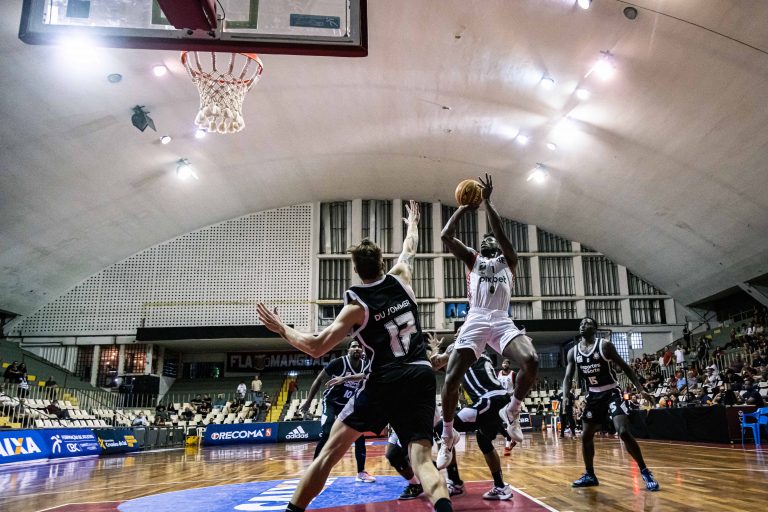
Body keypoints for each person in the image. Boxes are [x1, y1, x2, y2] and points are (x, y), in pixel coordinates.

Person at [256, 201, 453, 512]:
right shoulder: (402, 276)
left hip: (385, 380)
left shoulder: (356, 307)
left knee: (327, 455)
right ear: (382, 262)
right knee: (421, 459)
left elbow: (316, 346)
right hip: (420, 373)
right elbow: (410, 247)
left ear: (356, 271)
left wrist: (282, 328)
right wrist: (413, 224)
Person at [438, 173, 538, 468]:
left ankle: (513, 411)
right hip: (477, 317)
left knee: (531, 360)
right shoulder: (474, 260)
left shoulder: (509, 260)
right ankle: (447, 436)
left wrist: (488, 203)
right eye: (485, 240)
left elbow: (498, 230)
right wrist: (463, 208)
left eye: (492, 238)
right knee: (451, 379)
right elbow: (445, 236)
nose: (488, 240)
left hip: (502, 319)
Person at [563, 317, 660, 491]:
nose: (583, 325)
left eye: (587, 323)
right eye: (581, 323)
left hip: (612, 392)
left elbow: (625, 367)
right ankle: (590, 475)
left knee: (623, 432)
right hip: (593, 395)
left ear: (595, 328)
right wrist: (565, 396)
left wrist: (640, 389)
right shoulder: (573, 352)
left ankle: (645, 471)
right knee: (586, 435)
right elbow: (567, 377)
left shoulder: (605, 346)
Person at [432, 345, 515, 500]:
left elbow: (434, 365)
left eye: (458, 333)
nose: (456, 334)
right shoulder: (479, 349)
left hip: (488, 400)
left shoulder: (461, 346)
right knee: (483, 440)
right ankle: (500, 486)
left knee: (441, 428)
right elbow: (446, 368)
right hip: (500, 400)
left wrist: (435, 351)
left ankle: (455, 482)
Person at [300, 340, 375, 483]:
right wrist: (308, 402)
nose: (357, 348)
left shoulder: (366, 364)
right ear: (348, 350)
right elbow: (319, 380)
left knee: (359, 435)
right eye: (354, 346)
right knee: (327, 432)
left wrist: (345, 379)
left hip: (348, 405)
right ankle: (314, 470)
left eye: (359, 347)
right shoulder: (338, 363)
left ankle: (361, 472)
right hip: (332, 402)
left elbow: (367, 377)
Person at [496, 359, 517, 454]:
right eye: (503, 363)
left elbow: (518, 385)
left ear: (509, 365)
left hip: (510, 399)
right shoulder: (498, 374)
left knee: (509, 422)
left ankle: (508, 443)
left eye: (506, 363)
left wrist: (513, 392)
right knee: (497, 422)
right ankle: (509, 438)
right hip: (500, 399)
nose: (504, 364)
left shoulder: (513, 374)